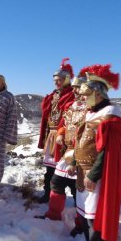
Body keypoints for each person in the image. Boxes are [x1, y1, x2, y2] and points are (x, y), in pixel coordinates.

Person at [73, 64, 121, 241]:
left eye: (86, 95)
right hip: (83, 171)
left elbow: (107, 151)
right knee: (88, 216)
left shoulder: (111, 115)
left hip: (100, 175)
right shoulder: (92, 113)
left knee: (96, 219)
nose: (83, 99)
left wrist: (94, 175)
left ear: (97, 93)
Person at [35, 75, 87, 236]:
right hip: (68, 151)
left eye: (80, 88)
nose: (76, 91)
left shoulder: (91, 109)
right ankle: (53, 215)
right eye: (76, 88)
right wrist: (61, 133)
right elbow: (65, 123)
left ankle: (82, 223)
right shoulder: (72, 106)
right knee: (56, 182)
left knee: (78, 189)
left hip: (84, 154)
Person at [37, 58, 75, 203]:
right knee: (50, 170)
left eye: (59, 80)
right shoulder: (53, 96)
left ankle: (76, 199)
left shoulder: (73, 95)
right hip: (51, 136)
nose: (56, 82)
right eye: (55, 80)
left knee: (65, 169)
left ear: (66, 79)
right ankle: (48, 195)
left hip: (65, 136)